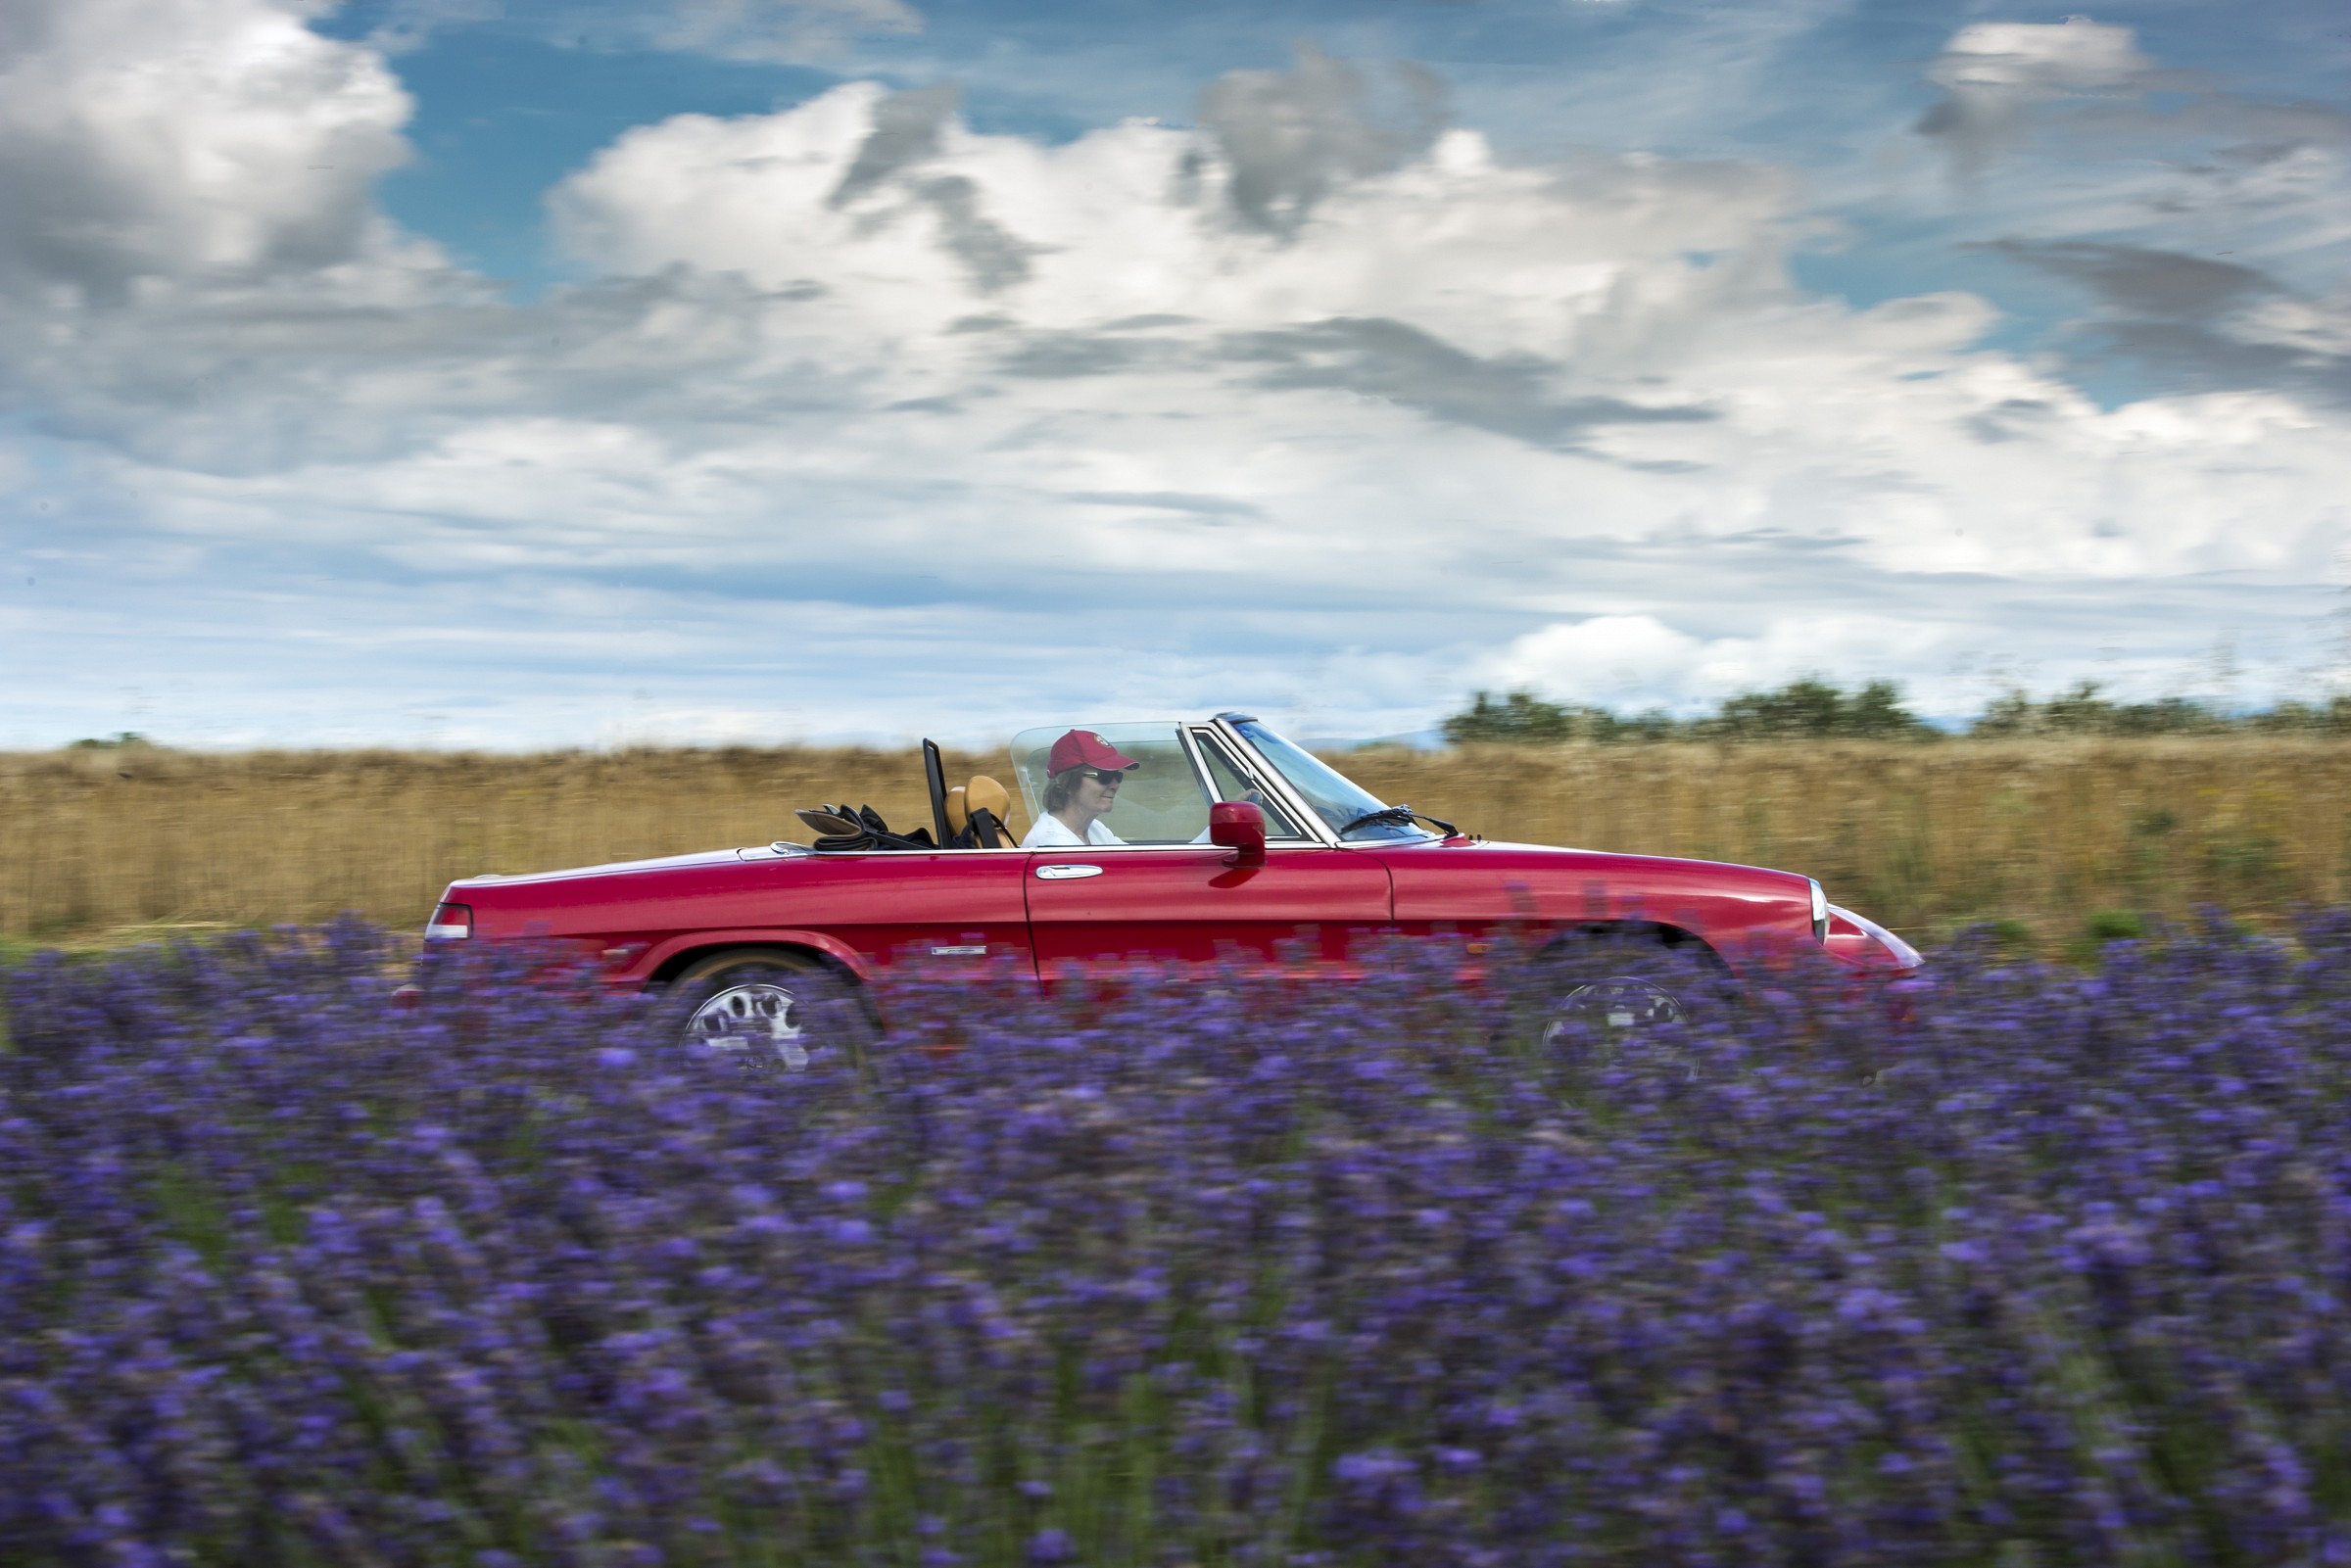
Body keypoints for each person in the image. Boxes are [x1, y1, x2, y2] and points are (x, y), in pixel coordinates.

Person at [1020, 729, 1139, 847]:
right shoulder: (1053, 843)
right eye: (1104, 776)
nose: (1115, 785)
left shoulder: (1094, 828)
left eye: (1117, 776)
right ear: (1068, 784)